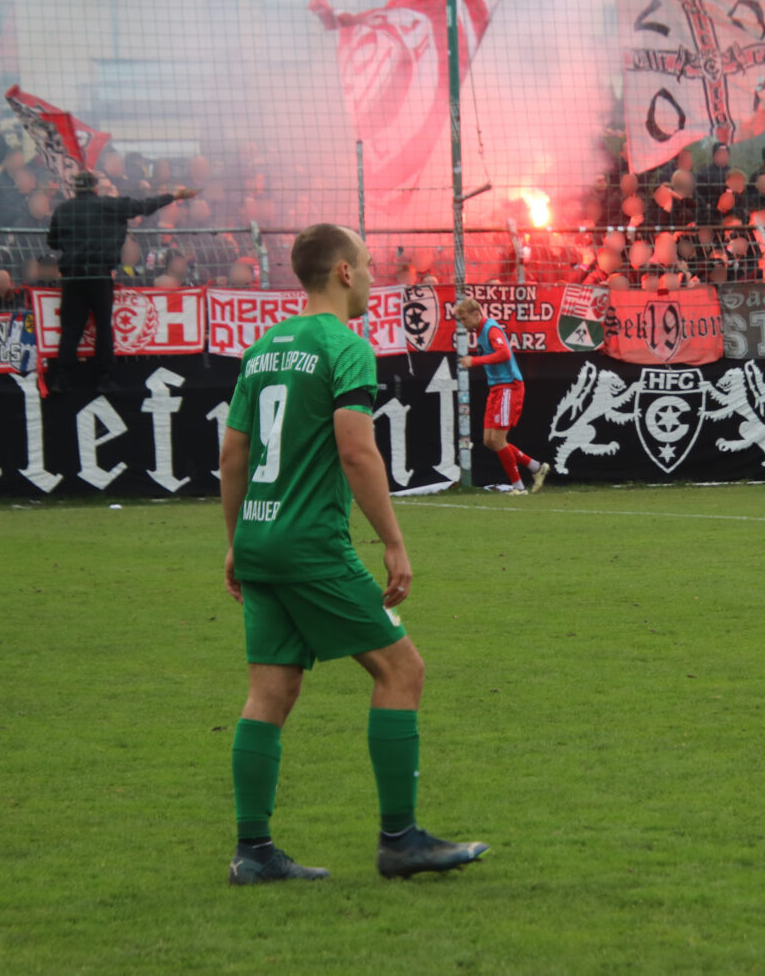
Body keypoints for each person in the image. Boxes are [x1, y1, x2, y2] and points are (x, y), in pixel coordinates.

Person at [219, 222, 489, 885]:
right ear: (343, 272)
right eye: (366, 265)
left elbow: (233, 453)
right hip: (312, 543)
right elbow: (355, 447)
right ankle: (400, 840)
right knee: (403, 670)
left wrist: (235, 542)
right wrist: (394, 542)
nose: (371, 276)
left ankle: (253, 850)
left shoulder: (262, 349)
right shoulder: (346, 346)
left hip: (258, 538)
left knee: (270, 688)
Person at [45, 170, 197, 392]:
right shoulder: (109, 205)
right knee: (104, 328)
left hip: (73, 276)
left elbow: (53, 241)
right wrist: (173, 196)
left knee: (71, 329)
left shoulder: (63, 209)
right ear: (95, 187)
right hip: (99, 274)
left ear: (75, 187)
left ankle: (61, 379)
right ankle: (104, 378)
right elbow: (144, 206)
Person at [456, 297, 550, 493]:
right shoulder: (482, 331)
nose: (463, 324)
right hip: (497, 387)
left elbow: (505, 354)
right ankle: (536, 467)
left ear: (476, 314)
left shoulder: (491, 329)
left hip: (509, 386)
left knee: (498, 440)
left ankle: (519, 487)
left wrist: (475, 361)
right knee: (489, 441)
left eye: (464, 319)